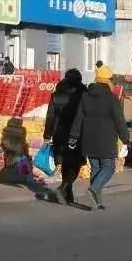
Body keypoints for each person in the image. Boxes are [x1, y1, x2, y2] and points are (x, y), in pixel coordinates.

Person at [67, 65, 129, 210]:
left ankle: (97, 202)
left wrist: (73, 137)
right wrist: (126, 139)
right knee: (109, 167)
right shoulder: (111, 98)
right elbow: (119, 120)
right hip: (106, 139)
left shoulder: (86, 96)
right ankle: (93, 190)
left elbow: (78, 118)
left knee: (96, 168)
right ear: (109, 80)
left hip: (88, 139)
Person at [43, 69, 87, 204]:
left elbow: (50, 116)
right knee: (75, 163)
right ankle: (63, 187)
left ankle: (68, 194)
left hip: (59, 134)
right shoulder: (82, 95)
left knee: (66, 163)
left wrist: (47, 134)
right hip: (77, 134)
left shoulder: (57, 94)